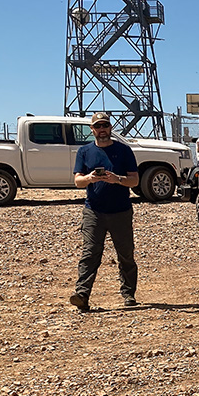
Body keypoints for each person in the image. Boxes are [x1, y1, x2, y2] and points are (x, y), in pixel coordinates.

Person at [70, 112, 140, 311]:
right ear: (92, 130)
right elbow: (77, 181)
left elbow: (134, 180)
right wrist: (90, 178)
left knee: (125, 254)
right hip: (94, 212)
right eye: (98, 126)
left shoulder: (124, 151)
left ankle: (129, 294)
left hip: (121, 212)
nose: (102, 130)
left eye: (105, 126)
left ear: (110, 128)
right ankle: (82, 294)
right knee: (90, 253)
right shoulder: (84, 152)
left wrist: (117, 179)